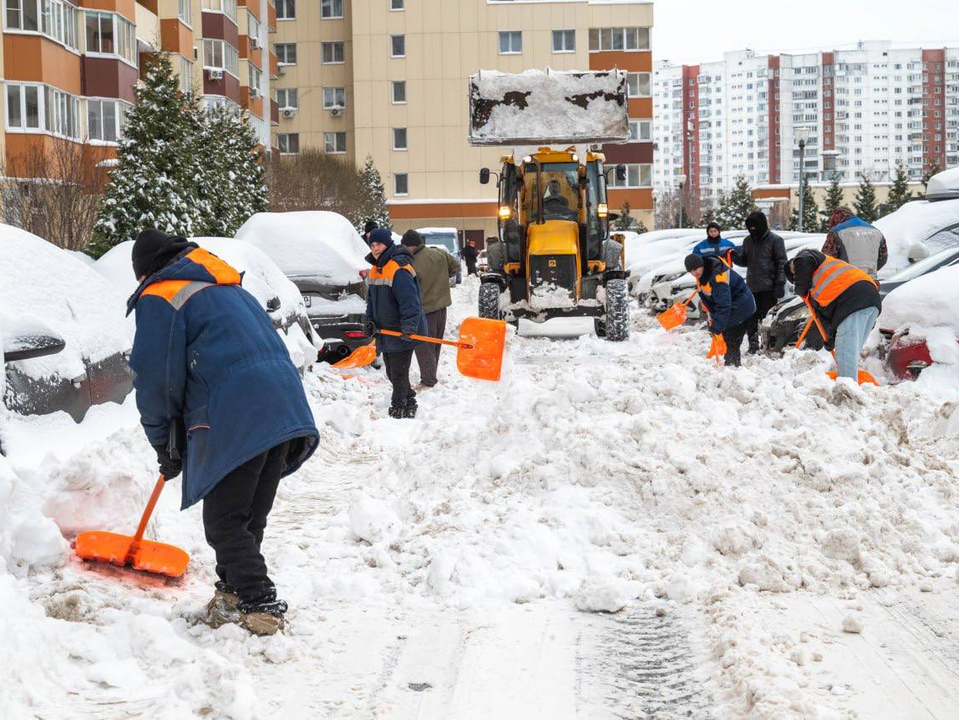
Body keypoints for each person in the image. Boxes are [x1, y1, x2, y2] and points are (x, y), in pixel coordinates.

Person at [127, 229, 319, 636]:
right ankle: (232, 594)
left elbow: (156, 380)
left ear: (145, 272)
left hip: (239, 410)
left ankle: (261, 602)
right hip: (282, 403)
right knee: (246, 516)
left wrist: (163, 443)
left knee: (224, 521)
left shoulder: (161, 295)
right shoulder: (227, 286)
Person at [786, 249, 881, 381]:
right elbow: (826, 317)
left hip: (854, 300)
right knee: (851, 352)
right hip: (870, 299)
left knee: (845, 352)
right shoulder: (823, 280)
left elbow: (804, 258)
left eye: (796, 278)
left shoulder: (806, 258)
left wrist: (800, 289)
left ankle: (847, 389)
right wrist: (830, 339)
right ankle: (851, 384)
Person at [365, 228, 428, 418]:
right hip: (385, 331)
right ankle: (409, 400)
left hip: (401, 330)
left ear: (388, 244)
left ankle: (399, 407)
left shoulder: (398, 269)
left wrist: (409, 326)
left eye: (379, 244)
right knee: (392, 373)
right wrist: (369, 320)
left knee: (399, 373)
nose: (375, 248)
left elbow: (410, 302)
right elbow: (371, 300)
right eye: (372, 245)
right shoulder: (375, 269)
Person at [401, 229, 460, 388]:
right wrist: (442, 277)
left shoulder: (411, 262)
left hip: (425, 311)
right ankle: (431, 377)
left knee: (423, 346)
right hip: (442, 308)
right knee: (435, 345)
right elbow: (456, 267)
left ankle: (428, 381)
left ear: (410, 246)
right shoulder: (439, 253)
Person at [684, 253, 757, 367]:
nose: (694, 273)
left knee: (731, 339)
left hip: (742, 307)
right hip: (732, 306)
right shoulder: (703, 276)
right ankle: (731, 365)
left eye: (696, 269)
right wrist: (714, 318)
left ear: (701, 265)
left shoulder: (718, 277)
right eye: (691, 271)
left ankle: (732, 367)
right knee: (727, 336)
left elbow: (723, 305)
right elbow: (713, 302)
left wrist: (717, 327)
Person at [733, 211, 787, 355]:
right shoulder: (748, 241)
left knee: (768, 319)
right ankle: (753, 346)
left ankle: (769, 345)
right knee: (751, 318)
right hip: (752, 287)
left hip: (769, 287)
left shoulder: (775, 240)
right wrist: (736, 258)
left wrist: (780, 283)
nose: (752, 230)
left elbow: (782, 263)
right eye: (749, 227)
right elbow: (745, 261)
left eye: (755, 226)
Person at [821, 206, 888, 280]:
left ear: (835, 219)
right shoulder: (877, 232)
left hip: (847, 282)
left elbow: (825, 261)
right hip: (870, 281)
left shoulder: (836, 232)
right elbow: (883, 259)